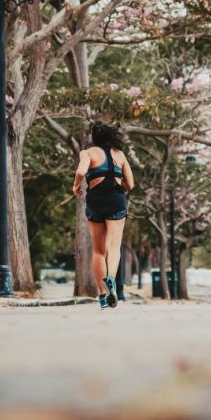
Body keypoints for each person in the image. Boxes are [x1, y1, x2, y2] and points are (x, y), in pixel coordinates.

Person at [73, 122, 135, 309]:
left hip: (96, 201)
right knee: (114, 248)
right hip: (116, 199)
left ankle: (102, 295)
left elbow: (81, 172)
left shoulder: (88, 153)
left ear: (94, 137)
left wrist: (76, 186)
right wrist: (116, 179)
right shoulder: (120, 154)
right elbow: (131, 184)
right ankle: (111, 281)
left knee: (99, 251)